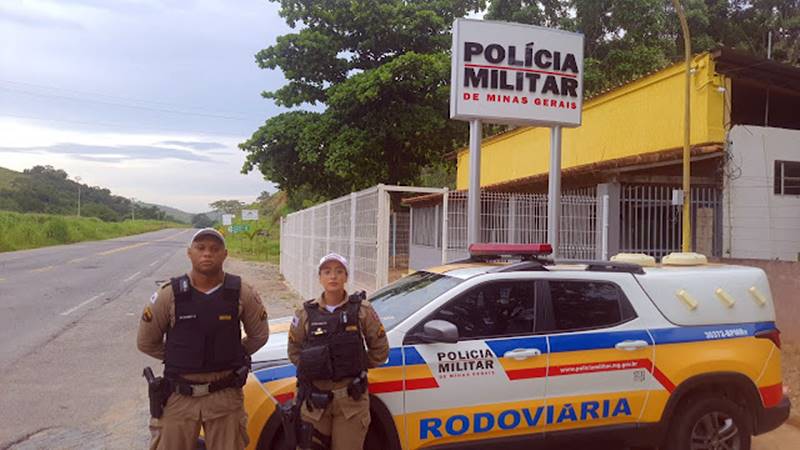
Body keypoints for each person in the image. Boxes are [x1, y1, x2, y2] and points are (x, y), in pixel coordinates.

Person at [137, 228, 270, 450]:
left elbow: (259, 335)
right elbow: (146, 341)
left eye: (214, 249)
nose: (207, 254)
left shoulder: (241, 292)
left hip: (225, 396)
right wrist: (183, 355)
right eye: (200, 248)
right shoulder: (169, 294)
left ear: (225, 254)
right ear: (189, 253)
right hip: (179, 398)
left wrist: (231, 353)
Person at [287, 252, 390, 450]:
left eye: (338, 271)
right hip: (314, 403)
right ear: (320, 278)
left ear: (346, 277)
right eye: (327, 272)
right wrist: (317, 368)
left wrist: (355, 364)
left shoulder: (362, 310)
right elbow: (294, 351)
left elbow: (380, 350)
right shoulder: (305, 313)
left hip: (350, 403)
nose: (333, 276)